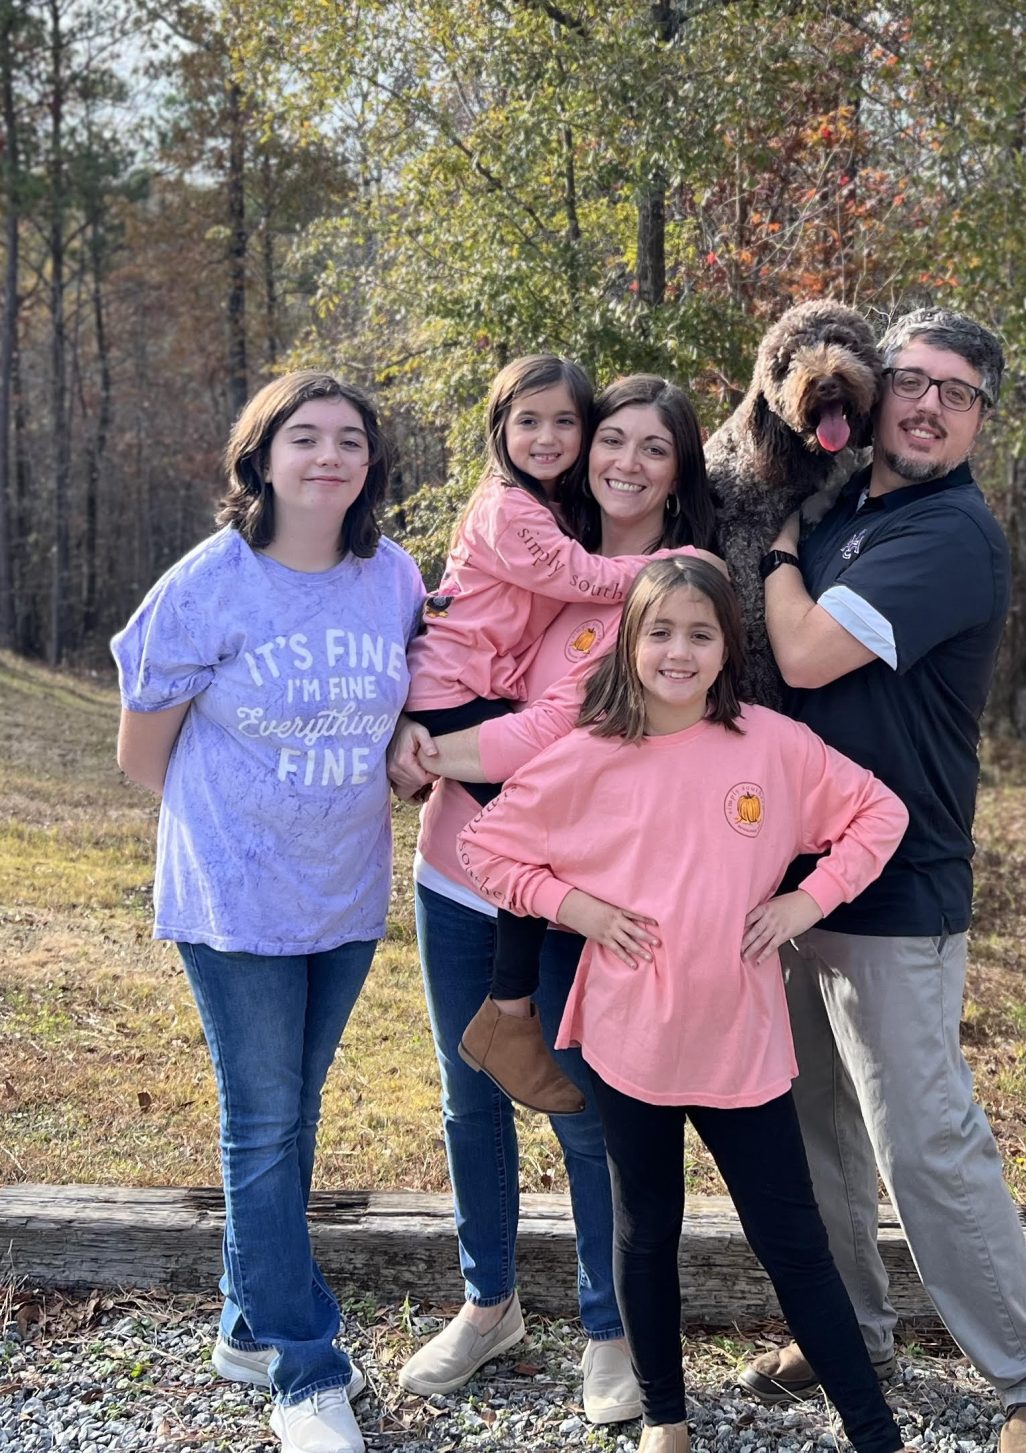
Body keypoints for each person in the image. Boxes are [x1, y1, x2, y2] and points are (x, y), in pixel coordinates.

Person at [456, 558, 911, 1453]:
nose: (678, 650)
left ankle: (874, 1430)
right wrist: (579, 908)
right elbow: (487, 845)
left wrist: (805, 901)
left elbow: (879, 813)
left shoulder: (772, 747)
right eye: (659, 631)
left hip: (741, 1043)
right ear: (628, 643)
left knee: (795, 1243)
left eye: (700, 633)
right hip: (632, 1041)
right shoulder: (586, 755)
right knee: (646, 1228)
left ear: (727, 649)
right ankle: (665, 1416)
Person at [745, 307, 1026, 1453]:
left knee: (922, 1140)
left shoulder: (950, 532)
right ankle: (852, 1328)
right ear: (875, 391)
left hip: (896, 885)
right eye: (913, 380)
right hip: (788, 876)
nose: (929, 403)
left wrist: (780, 552)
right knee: (812, 1126)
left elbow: (803, 652)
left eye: (958, 392)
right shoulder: (851, 507)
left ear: (981, 419)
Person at [389, 376, 717, 1426]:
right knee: (469, 1091)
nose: (624, 461)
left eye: (650, 447)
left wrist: (430, 748)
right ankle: (490, 1303)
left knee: (581, 1102)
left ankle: (608, 1323)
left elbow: (555, 731)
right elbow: (449, 642)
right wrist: (407, 716)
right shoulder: (535, 540)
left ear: (681, 466)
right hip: (460, 867)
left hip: (583, 892)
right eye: (608, 438)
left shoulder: (673, 588)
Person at [112, 371, 425, 1453]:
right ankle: (304, 1367)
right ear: (264, 456)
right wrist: (245, 821)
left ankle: (247, 1325)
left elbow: (395, 715)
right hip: (237, 898)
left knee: (292, 1116)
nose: (330, 456)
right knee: (263, 1121)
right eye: (306, 437)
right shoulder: (212, 581)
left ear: (370, 464)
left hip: (343, 895)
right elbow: (141, 753)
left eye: (350, 439)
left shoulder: (392, 578)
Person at [405, 354, 677, 1116]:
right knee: (525, 833)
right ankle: (510, 1015)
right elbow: (583, 579)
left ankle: (511, 1015)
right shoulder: (514, 512)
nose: (550, 437)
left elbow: (555, 720)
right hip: (451, 707)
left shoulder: (548, 514)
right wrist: (665, 568)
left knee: (528, 837)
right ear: (499, 430)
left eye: (566, 421)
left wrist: (426, 754)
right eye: (529, 421)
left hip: (462, 709)